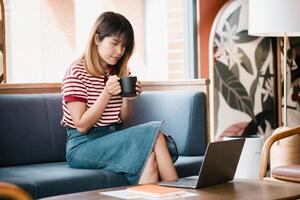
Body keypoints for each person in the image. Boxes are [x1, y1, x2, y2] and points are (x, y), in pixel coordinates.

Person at [61, 11, 178, 185]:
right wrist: (106, 93)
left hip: (112, 138)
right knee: (155, 134)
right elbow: (82, 125)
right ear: (96, 39)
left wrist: (127, 97)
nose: (119, 52)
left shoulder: (119, 72)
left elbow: (123, 119)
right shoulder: (76, 73)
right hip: (82, 146)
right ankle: (181, 191)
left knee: (150, 161)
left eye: (124, 46)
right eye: (114, 43)